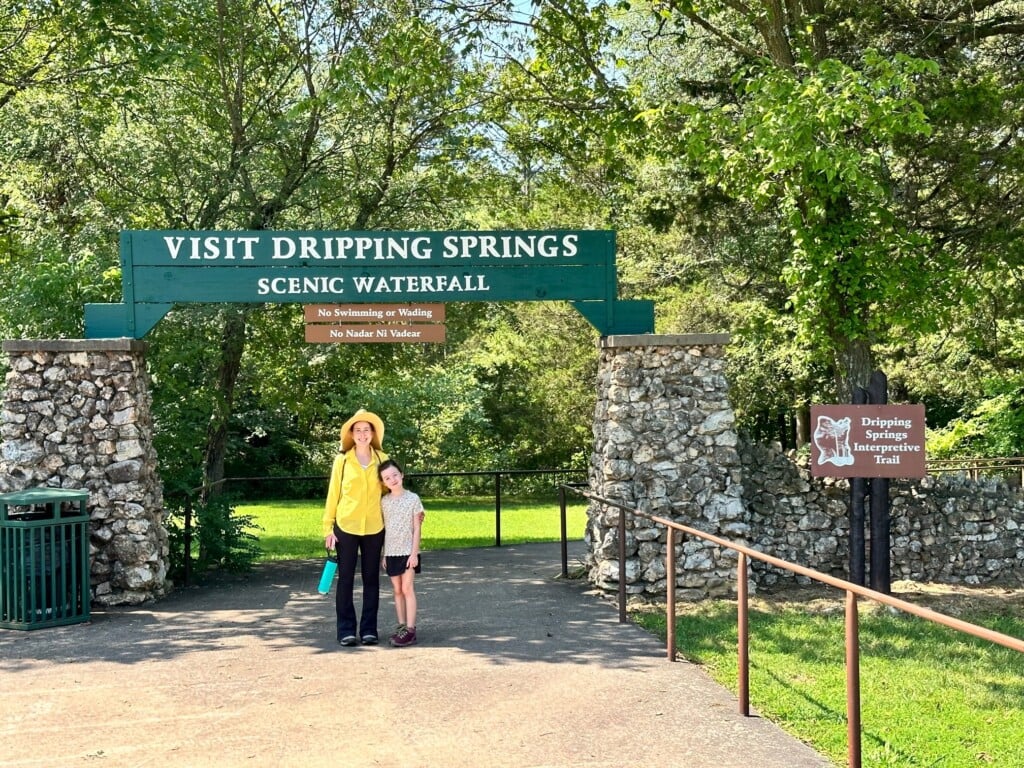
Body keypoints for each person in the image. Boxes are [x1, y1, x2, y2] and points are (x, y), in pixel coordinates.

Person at [322, 409, 388, 647]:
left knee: (372, 579)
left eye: (366, 430)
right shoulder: (342, 460)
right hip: (345, 526)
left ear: (373, 434)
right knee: (346, 579)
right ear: (352, 434)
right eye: (358, 430)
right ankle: (346, 631)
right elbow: (333, 494)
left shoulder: (382, 458)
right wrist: (328, 527)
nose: (362, 434)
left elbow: (390, 492)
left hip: (374, 527)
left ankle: (369, 629)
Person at [379, 458, 423, 647]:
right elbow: (383, 528)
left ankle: (411, 630)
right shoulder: (384, 502)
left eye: (395, 475)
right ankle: (401, 626)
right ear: (383, 482)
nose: (392, 479)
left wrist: (414, 554)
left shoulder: (413, 499)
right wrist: (383, 554)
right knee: (397, 590)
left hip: (408, 552)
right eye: (387, 478)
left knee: (407, 588)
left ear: (402, 475)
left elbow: (417, 528)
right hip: (391, 552)